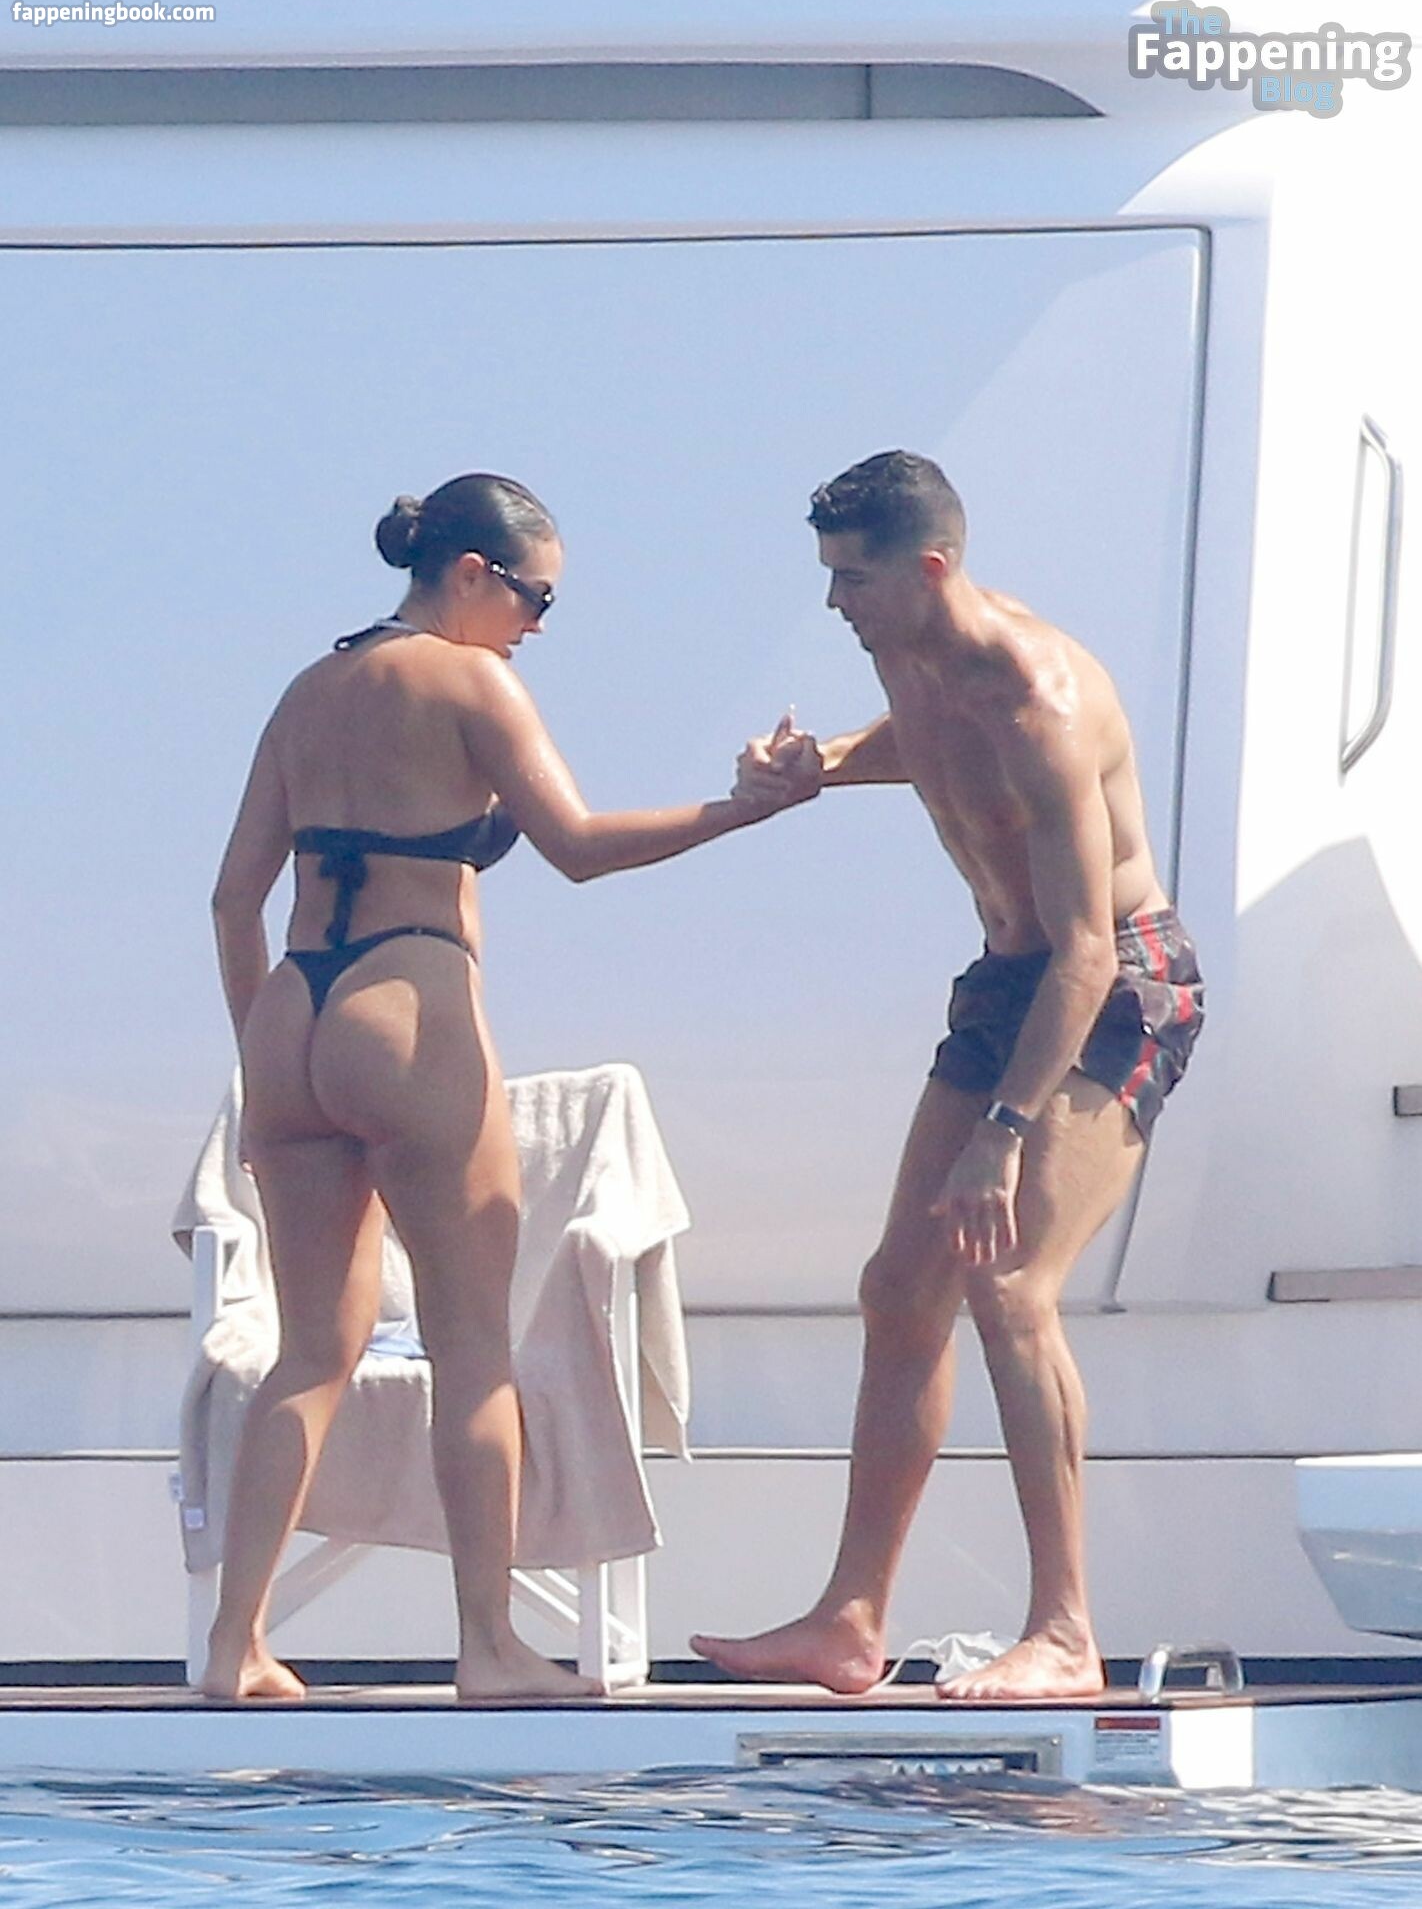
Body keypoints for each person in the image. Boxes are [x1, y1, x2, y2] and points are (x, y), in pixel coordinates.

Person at [204, 472, 816, 1702]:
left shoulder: (308, 689)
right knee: (473, 1347)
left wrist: (268, 1064)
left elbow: (231, 900)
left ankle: (233, 1647)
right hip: (407, 1002)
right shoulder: (473, 682)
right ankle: (489, 1646)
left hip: (290, 1018)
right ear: (473, 573)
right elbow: (578, 847)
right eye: (537, 598)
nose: (539, 625)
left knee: (308, 1356)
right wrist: (741, 812)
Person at [691, 451, 1203, 1702]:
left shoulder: (1040, 700)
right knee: (899, 1288)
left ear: (929, 568)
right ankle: (848, 1621)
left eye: (854, 579)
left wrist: (1004, 1132)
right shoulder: (906, 654)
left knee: (1011, 1286)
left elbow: (1087, 952)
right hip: (1006, 981)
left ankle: (1065, 1633)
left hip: (1115, 986)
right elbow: (927, 743)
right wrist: (818, 767)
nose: (835, 604)